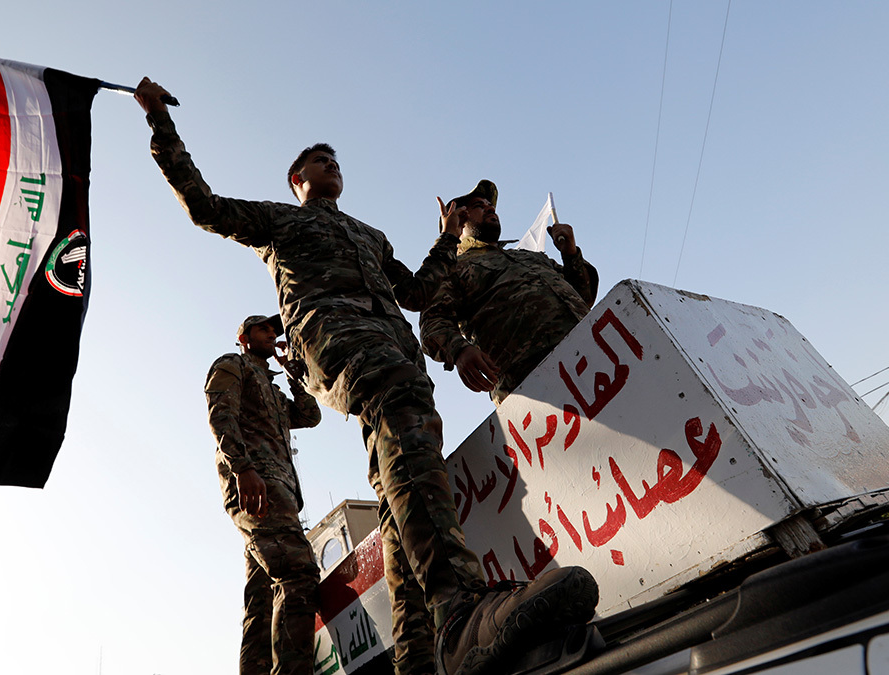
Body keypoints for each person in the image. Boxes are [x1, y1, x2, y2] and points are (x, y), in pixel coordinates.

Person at [135, 79, 599, 675]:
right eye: (317, 161)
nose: (331, 164)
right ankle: (458, 612)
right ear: (295, 180)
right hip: (341, 346)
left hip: (394, 353)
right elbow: (204, 206)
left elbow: (417, 292)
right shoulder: (279, 222)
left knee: (396, 498)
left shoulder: (369, 235)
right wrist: (158, 121)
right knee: (403, 411)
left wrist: (445, 237)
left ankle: (420, 659)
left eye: (335, 160)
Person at [207, 314, 322, 675]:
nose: (272, 334)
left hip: (277, 490)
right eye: (264, 330)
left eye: (275, 331)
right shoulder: (232, 364)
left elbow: (310, 414)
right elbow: (220, 415)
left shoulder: (273, 389)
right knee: (298, 574)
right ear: (244, 337)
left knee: (262, 602)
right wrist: (242, 468)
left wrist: (292, 373)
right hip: (257, 485)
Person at [421, 180, 599, 405]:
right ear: (459, 221)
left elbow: (583, 297)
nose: (490, 207)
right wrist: (459, 350)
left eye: (490, 204)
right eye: (479, 205)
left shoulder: (529, 257)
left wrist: (571, 254)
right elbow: (432, 322)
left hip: (593, 352)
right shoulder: (452, 267)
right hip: (532, 383)